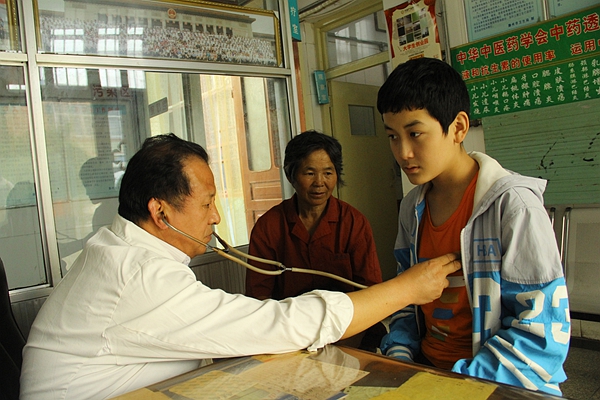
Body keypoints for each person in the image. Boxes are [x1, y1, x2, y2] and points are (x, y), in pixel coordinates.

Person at [20, 133, 460, 400]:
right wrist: (407, 289)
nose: (215, 217)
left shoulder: (118, 249)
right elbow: (275, 319)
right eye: (207, 203)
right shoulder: (138, 275)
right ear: (160, 211)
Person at [377, 57, 570, 395]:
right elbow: (406, 300)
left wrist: (458, 385)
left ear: (458, 128)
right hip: (427, 372)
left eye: (415, 134)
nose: (403, 152)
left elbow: (540, 336)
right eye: (393, 136)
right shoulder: (412, 208)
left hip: (496, 383)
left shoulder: (513, 206)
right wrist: (401, 358)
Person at [245, 130, 385, 350]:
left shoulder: (354, 223)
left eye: (328, 173)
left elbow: (371, 293)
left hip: (349, 331)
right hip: (289, 335)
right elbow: (259, 297)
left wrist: (345, 349)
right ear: (291, 175)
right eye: (309, 173)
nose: (320, 183)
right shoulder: (269, 227)